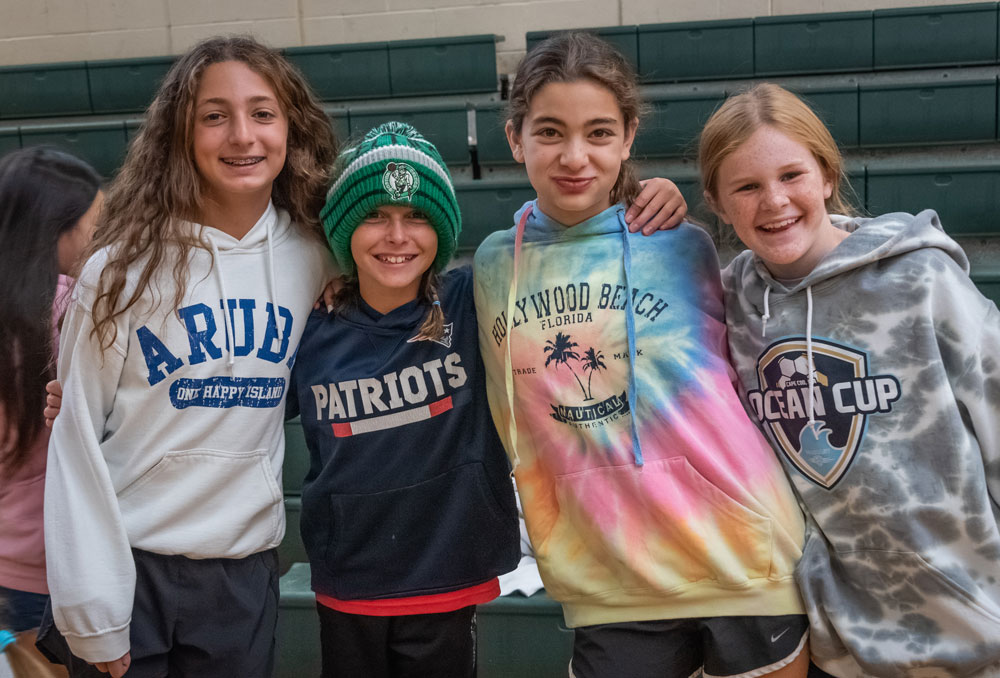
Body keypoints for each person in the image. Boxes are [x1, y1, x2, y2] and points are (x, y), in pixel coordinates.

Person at [473, 33, 809, 678]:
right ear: (516, 139)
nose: (575, 155)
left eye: (599, 132)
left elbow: (808, 244)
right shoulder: (493, 267)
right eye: (550, 132)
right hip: (607, 575)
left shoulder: (679, 241)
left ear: (628, 136)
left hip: (745, 558)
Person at [39, 36, 337, 678]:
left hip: (239, 572)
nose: (242, 135)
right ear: (181, 131)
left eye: (262, 113)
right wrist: (93, 608)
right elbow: (77, 443)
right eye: (214, 115)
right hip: (129, 566)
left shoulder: (317, 257)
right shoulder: (117, 272)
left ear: (291, 128)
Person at [700, 82, 1000, 678]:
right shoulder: (730, 303)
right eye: (747, 186)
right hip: (844, 646)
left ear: (828, 175)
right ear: (717, 201)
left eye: (792, 175)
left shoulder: (922, 277)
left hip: (975, 627)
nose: (775, 201)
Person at [288, 121, 520, 678]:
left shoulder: (472, 301)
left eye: (417, 215)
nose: (397, 236)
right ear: (344, 231)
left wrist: (637, 196)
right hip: (349, 577)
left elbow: (562, 237)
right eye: (374, 216)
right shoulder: (309, 324)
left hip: (445, 572)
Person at [0, 147, 103, 678]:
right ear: (57, 230)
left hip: (8, 576)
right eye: (96, 224)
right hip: (73, 571)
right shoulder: (80, 309)